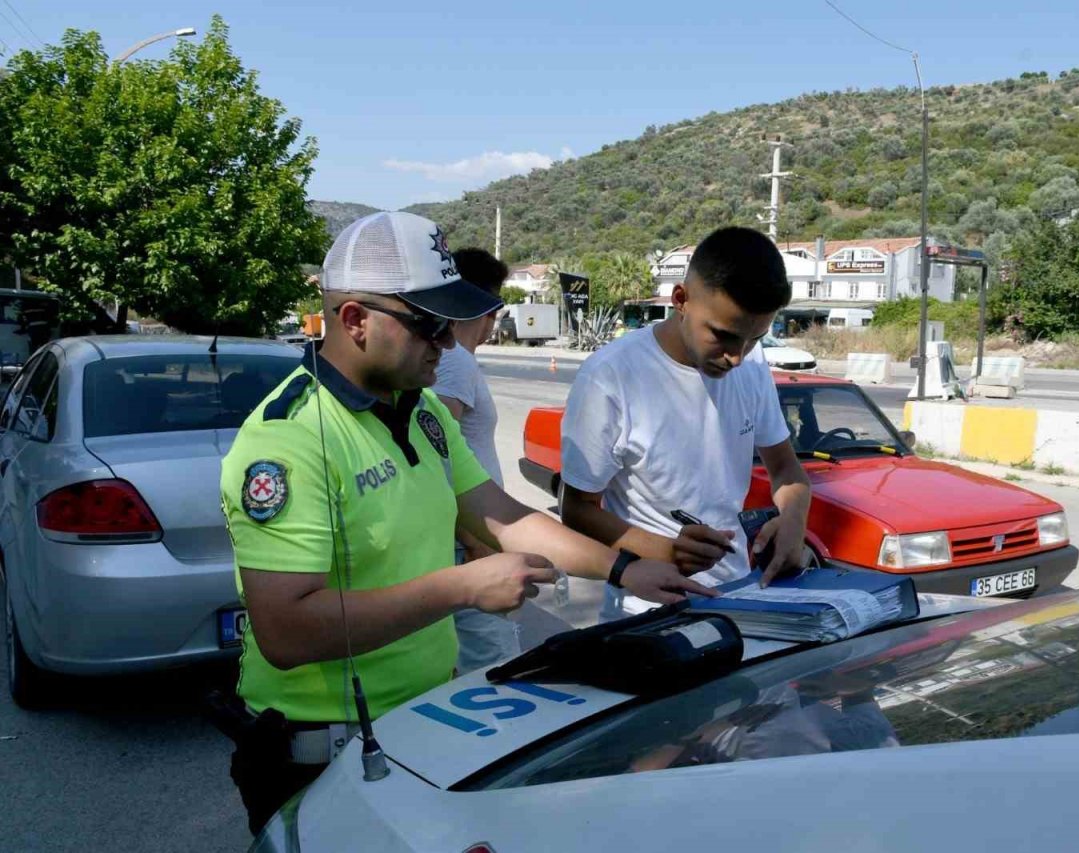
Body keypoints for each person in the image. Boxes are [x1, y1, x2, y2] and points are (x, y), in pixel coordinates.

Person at [219, 211, 710, 834]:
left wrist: (627, 570)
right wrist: (461, 588)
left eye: (450, 324)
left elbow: (500, 516)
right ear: (354, 320)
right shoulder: (286, 443)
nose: (448, 343)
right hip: (316, 755)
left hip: (423, 724)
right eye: (429, 325)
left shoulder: (418, 411)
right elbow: (286, 632)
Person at [559, 226, 812, 622]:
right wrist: (666, 550)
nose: (737, 358)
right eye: (723, 336)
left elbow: (786, 470)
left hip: (740, 598)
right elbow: (576, 509)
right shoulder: (610, 377)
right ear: (681, 299)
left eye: (754, 339)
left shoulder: (753, 363)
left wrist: (794, 521)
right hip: (649, 610)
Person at [431, 247, 520, 673]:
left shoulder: (451, 360)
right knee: (493, 667)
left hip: (463, 536)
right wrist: (476, 542)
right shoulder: (456, 363)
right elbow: (438, 458)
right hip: (465, 541)